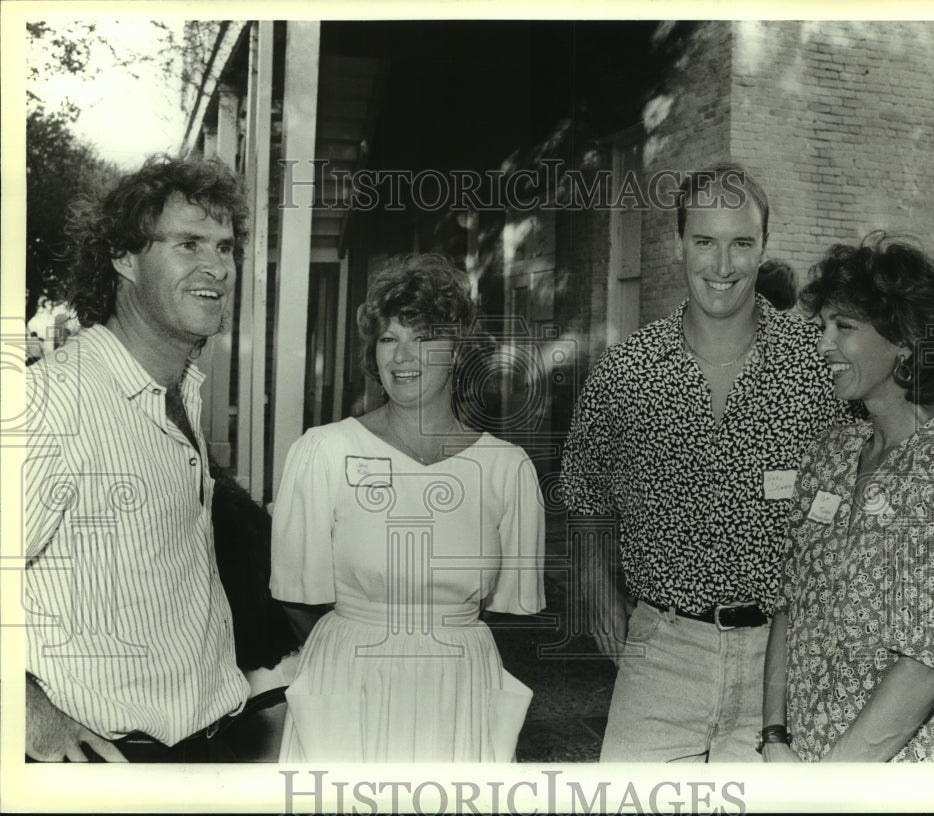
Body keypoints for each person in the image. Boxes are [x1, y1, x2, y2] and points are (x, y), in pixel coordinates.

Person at [561, 161, 851, 762]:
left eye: (742, 243)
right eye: (705, 242)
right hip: (661, 657)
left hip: (784, 664)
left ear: (764, 246)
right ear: (678, 245)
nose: (722, 267)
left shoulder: (818, 368)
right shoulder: (627, 372)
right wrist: (596, 594)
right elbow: (586, 497)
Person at [270, 253, 545, 762]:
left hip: (460, 688)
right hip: (348, 680)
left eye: (423, 339)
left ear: (458, 351)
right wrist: (356, 653)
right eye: (389, 338)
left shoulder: (506, 468)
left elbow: (510, 612)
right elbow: (294, 595)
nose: (402, 357)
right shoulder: (324, 451)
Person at [24, 154, 251, 762]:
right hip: (108, 759)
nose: (217, 268)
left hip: (201, 743)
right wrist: (25, 713)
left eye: (226, 248)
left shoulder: (182, 392)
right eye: (189, 244)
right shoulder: (54, 400)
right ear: (124, 258)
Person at [761, 233, 934, 762]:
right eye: (822, 327)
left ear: (903, 340)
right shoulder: (830, 451)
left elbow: (926, 665)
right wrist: (774, 738)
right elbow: (790, 604)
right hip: (797, 761)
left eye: (845, 328)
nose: (823, 345)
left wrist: (826, 786)